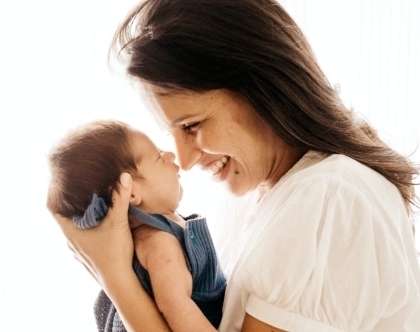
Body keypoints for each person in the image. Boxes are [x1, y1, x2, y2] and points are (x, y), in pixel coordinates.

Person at [48, 0, 420, 331]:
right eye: (172, 133)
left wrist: (113, 275)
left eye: (192, 126)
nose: (187, 160)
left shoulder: (328, 197)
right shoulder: (253, 196)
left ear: (259, 88)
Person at [47, 120, 226, 332]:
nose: (171, 155)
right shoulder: (158, 242)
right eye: (159, 156)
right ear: (130, 191)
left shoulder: (154, 234)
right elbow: (176, 307)